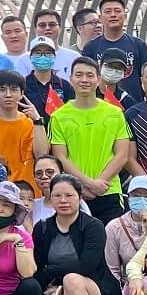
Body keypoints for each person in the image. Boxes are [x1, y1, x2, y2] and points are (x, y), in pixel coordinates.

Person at [31, 176, 111, 295]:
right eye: (57, 196)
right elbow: (38, 268)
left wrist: (53, 273)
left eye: (69, 195)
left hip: (93, 290)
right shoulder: (42, 228)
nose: (63, 200)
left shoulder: (93, 226)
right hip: (58, 291)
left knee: (72, 279)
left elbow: (86, 266)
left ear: (80, 197)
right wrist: (52, 287)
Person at [46, 57, 133, 221]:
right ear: (71, 79)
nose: (84, 80)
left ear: (98, 79)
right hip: (73, 193)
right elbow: (60, 156)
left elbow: (122, 155)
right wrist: (85, 184)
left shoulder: (115, 113)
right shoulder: (59, 116)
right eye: (79, 75)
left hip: (109, 190)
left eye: (90, 75)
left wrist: (100, 182)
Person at [80, 0, 147, 104]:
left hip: (133, 106)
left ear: (125, 16)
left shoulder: (139, 45)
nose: (113, 15)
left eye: (117, 11)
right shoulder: (91, 47)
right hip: (100, 106)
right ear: (100, 18)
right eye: (108, 12)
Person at [0, 70, 45, 185]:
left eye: (14, 89)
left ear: (22, 93)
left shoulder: (31, 123)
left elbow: (41, 155)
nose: (8, 95)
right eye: (2, 89)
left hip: (27, 188)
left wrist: (37, 121)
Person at [104, 174, 147, 293]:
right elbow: (112, 269)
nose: (141, 200)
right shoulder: (114, 227)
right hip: (129, 287)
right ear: (128, 198)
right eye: (136, 196)